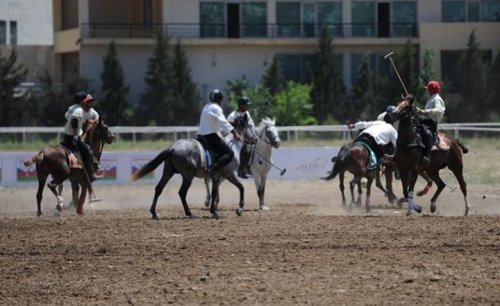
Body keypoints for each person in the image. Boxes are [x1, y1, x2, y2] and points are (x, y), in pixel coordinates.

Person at [197, 89, 241, 180]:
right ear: (220, 99)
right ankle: (213, 170)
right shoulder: (217, 108)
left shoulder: (206, 106)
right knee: (229, 153)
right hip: (210, 137)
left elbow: (215, 122)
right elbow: (223, 123)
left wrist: (229, 122)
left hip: (200, 136)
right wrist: (235, 132)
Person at [61, 92, 101, 182]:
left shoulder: (71, 108)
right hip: (75, 136)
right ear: (83, 101)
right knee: (87, 151)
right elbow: (75, 122)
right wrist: (76, 135)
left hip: (67, 135)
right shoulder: (80, 110)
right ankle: (91, 174)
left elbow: (66, 116)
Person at [417, 80, 446, 165]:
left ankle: (427, 155)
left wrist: (424, 111)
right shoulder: (431, 99)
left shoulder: (437, 99)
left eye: (428, 90)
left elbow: (439, 110)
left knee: (425, 133)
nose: (427, 91)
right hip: (426, 121)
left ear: (431, 90)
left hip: (431, 123)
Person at [227, 96, 255, 179]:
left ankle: (248, 166)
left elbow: (251, 125)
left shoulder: (247, 114)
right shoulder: (232, 115)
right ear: (242, 106)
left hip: (245, 137)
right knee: (245, 148)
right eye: (247, 105)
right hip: (233, 138)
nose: (248, 107)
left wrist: (251, 135)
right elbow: (227, 127)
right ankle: (241, 170)